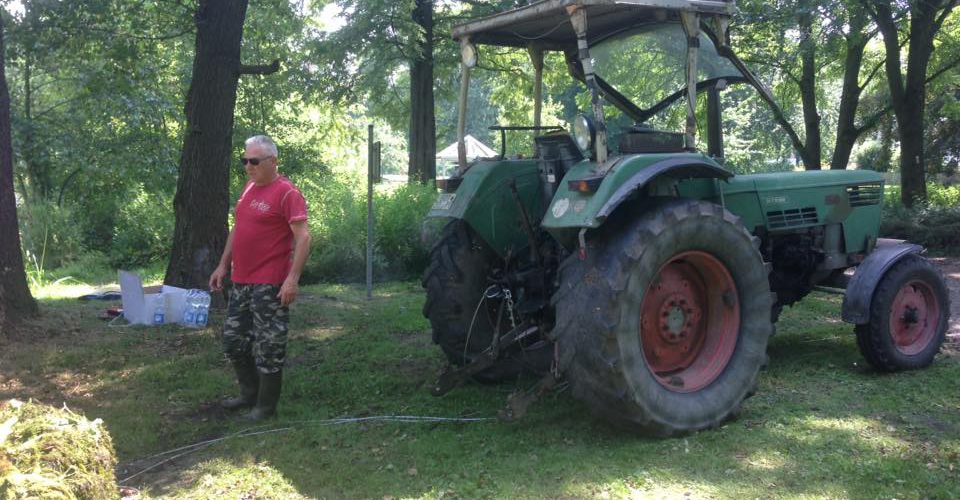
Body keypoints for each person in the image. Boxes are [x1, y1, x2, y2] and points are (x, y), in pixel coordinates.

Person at [209, 135, 311, 421]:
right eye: (245, 161)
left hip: (270, 283)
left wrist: (292, 279)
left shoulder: (287, 193)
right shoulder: (250, 188)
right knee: (233, 341)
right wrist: (222, 265)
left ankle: (265, 407)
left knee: (269, 345)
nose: (248, 166)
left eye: (254, 161)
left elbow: (303, 238)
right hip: (241, 280)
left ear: (273, 161)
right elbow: (238, 228)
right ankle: (248, 394)